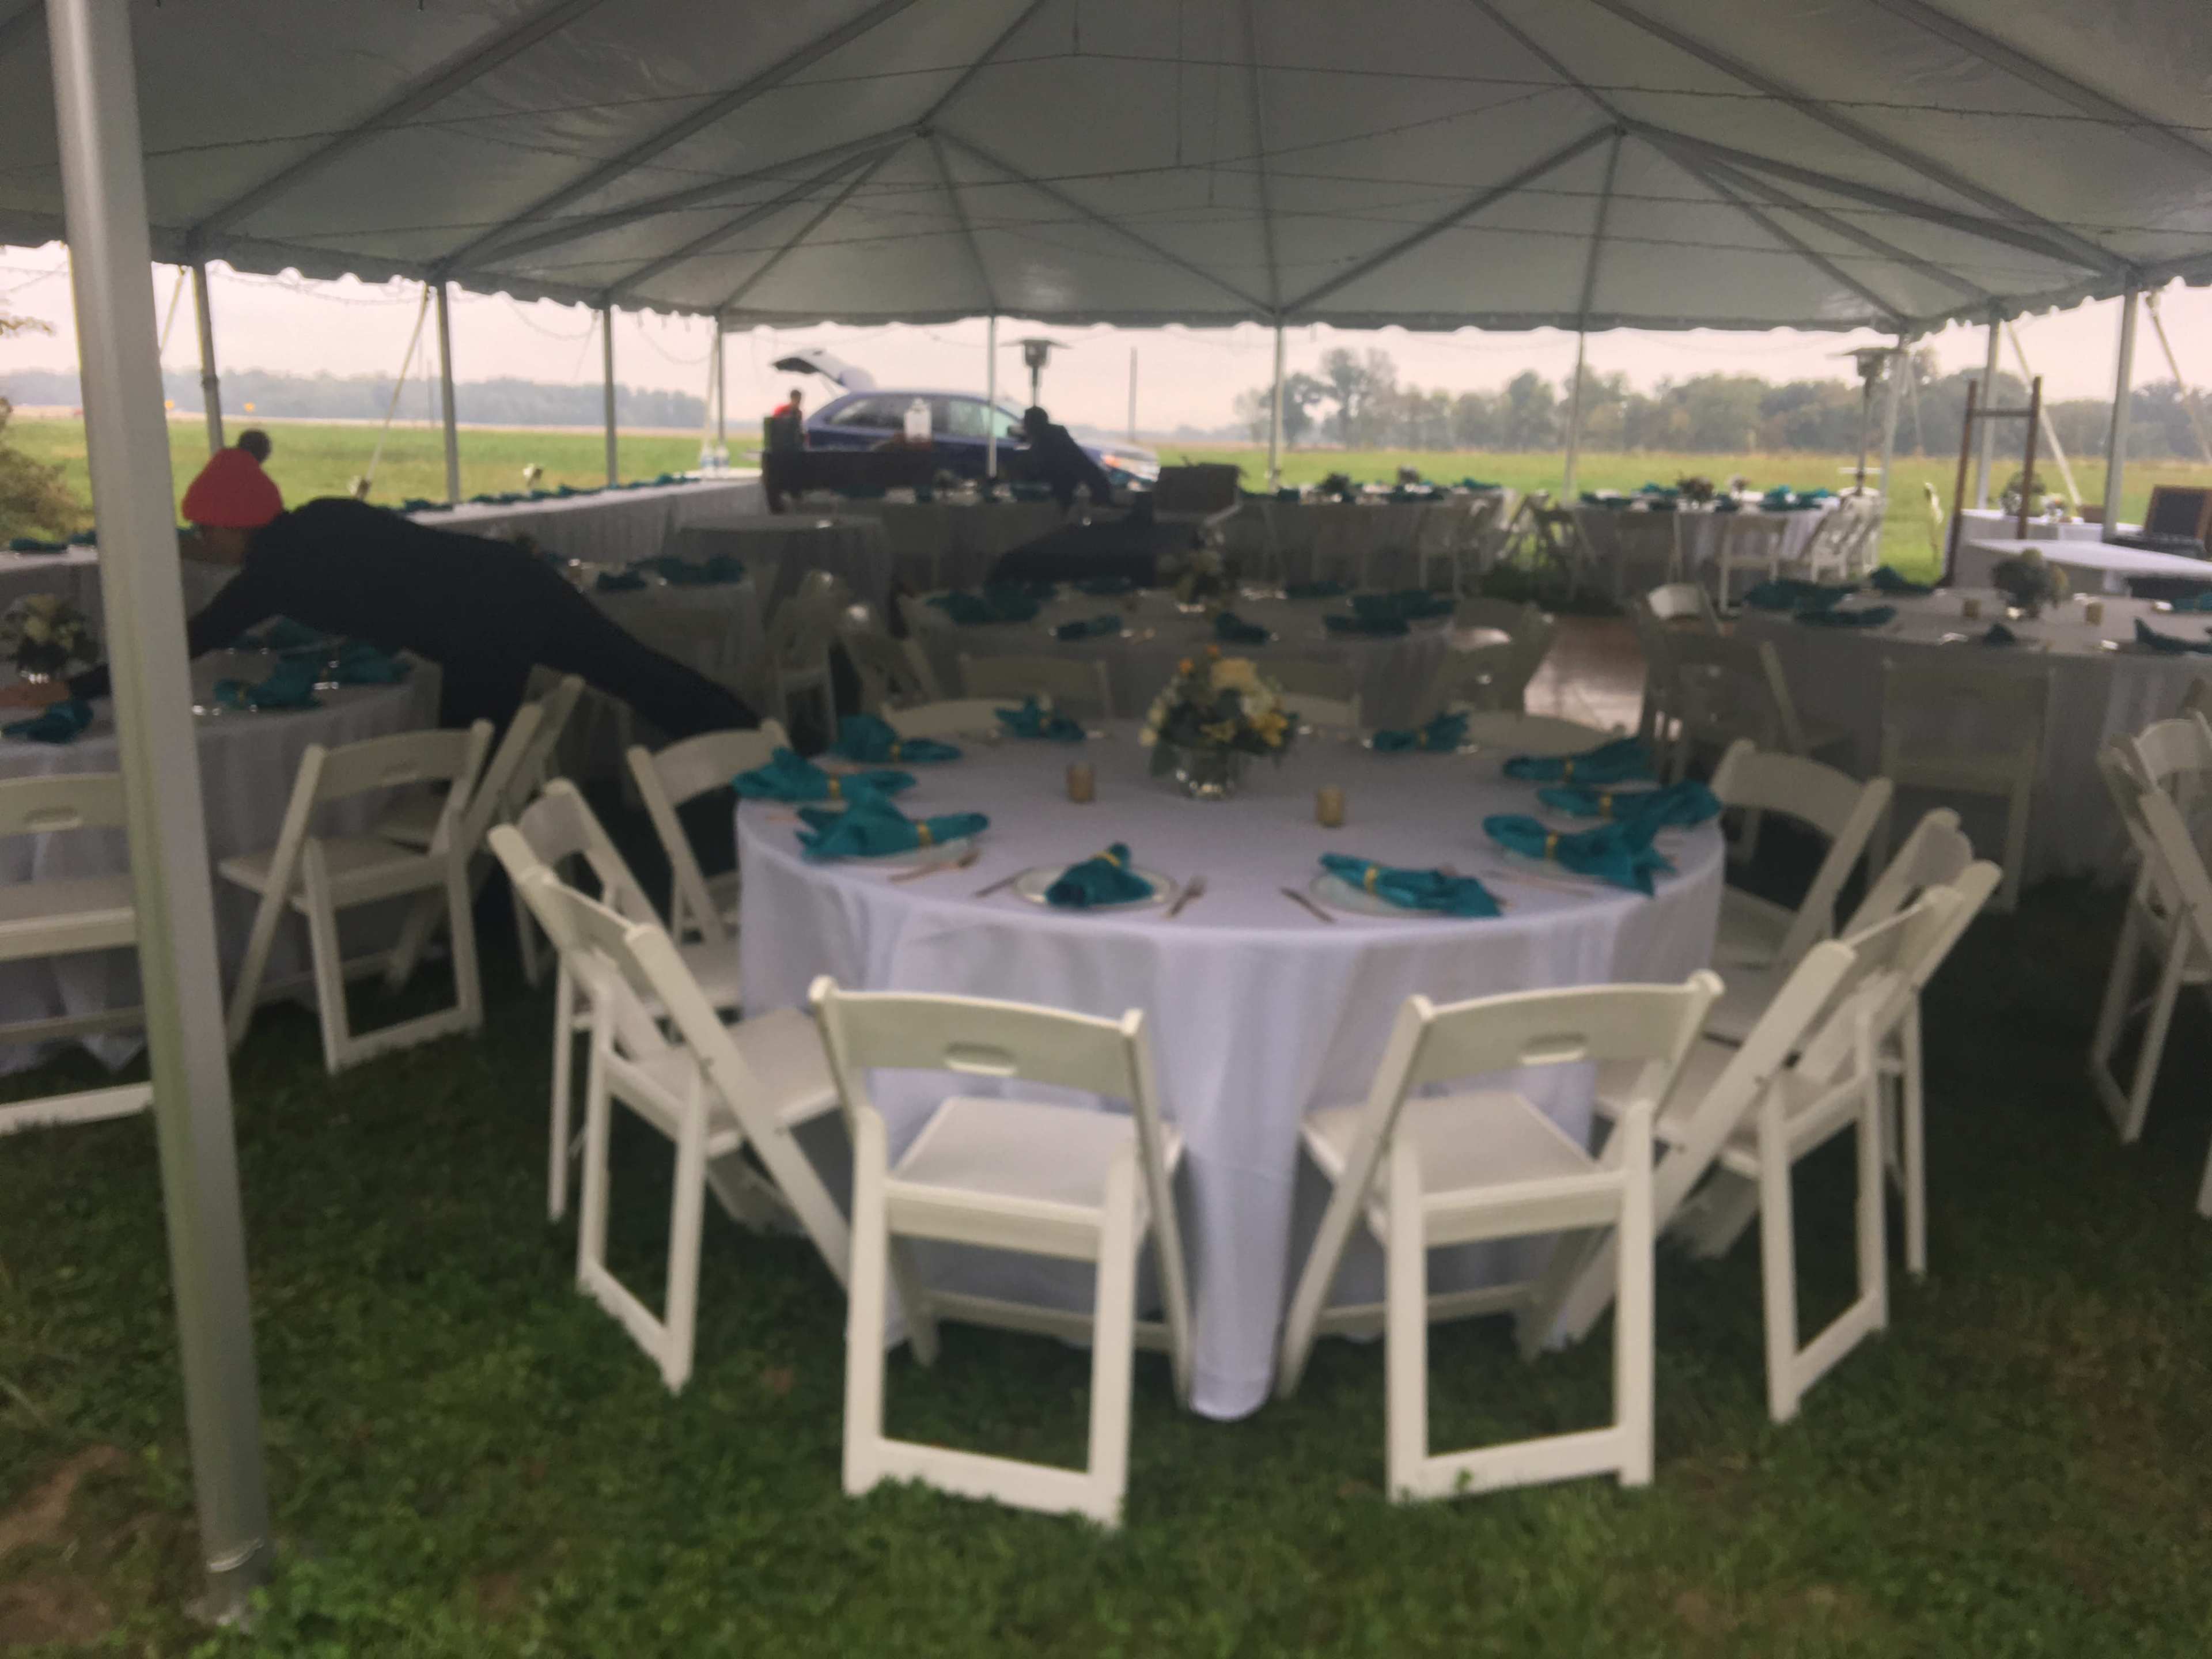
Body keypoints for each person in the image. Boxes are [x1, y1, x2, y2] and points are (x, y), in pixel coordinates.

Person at [0, 446, 758, 738]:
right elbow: (385, 572)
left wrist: (75, 686)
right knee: (634, 671)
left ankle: (474, 903)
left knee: (468, 760)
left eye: (205, 530)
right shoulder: (321, 516)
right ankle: (747, 743)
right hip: (515, 585)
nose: (203, 543)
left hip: (484, 626)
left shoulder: (272, 575)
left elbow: (187, 643)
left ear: (229, 527)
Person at [1019, 405, 1115, 513]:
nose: (1023, 427)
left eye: (1025, 422)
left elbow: (1047, 473)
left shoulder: (1049, 442)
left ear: (1033, 424)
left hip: (1076, 496)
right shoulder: (1054, 436)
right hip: (1082, 492)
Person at [767, 388, 806, 452]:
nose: (799, 403)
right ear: (792, 398)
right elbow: (774, 426)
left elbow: (799, 428)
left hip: (793, 444)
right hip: (780, 444)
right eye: (798, 400)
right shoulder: (781, 410)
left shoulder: (799, 413)